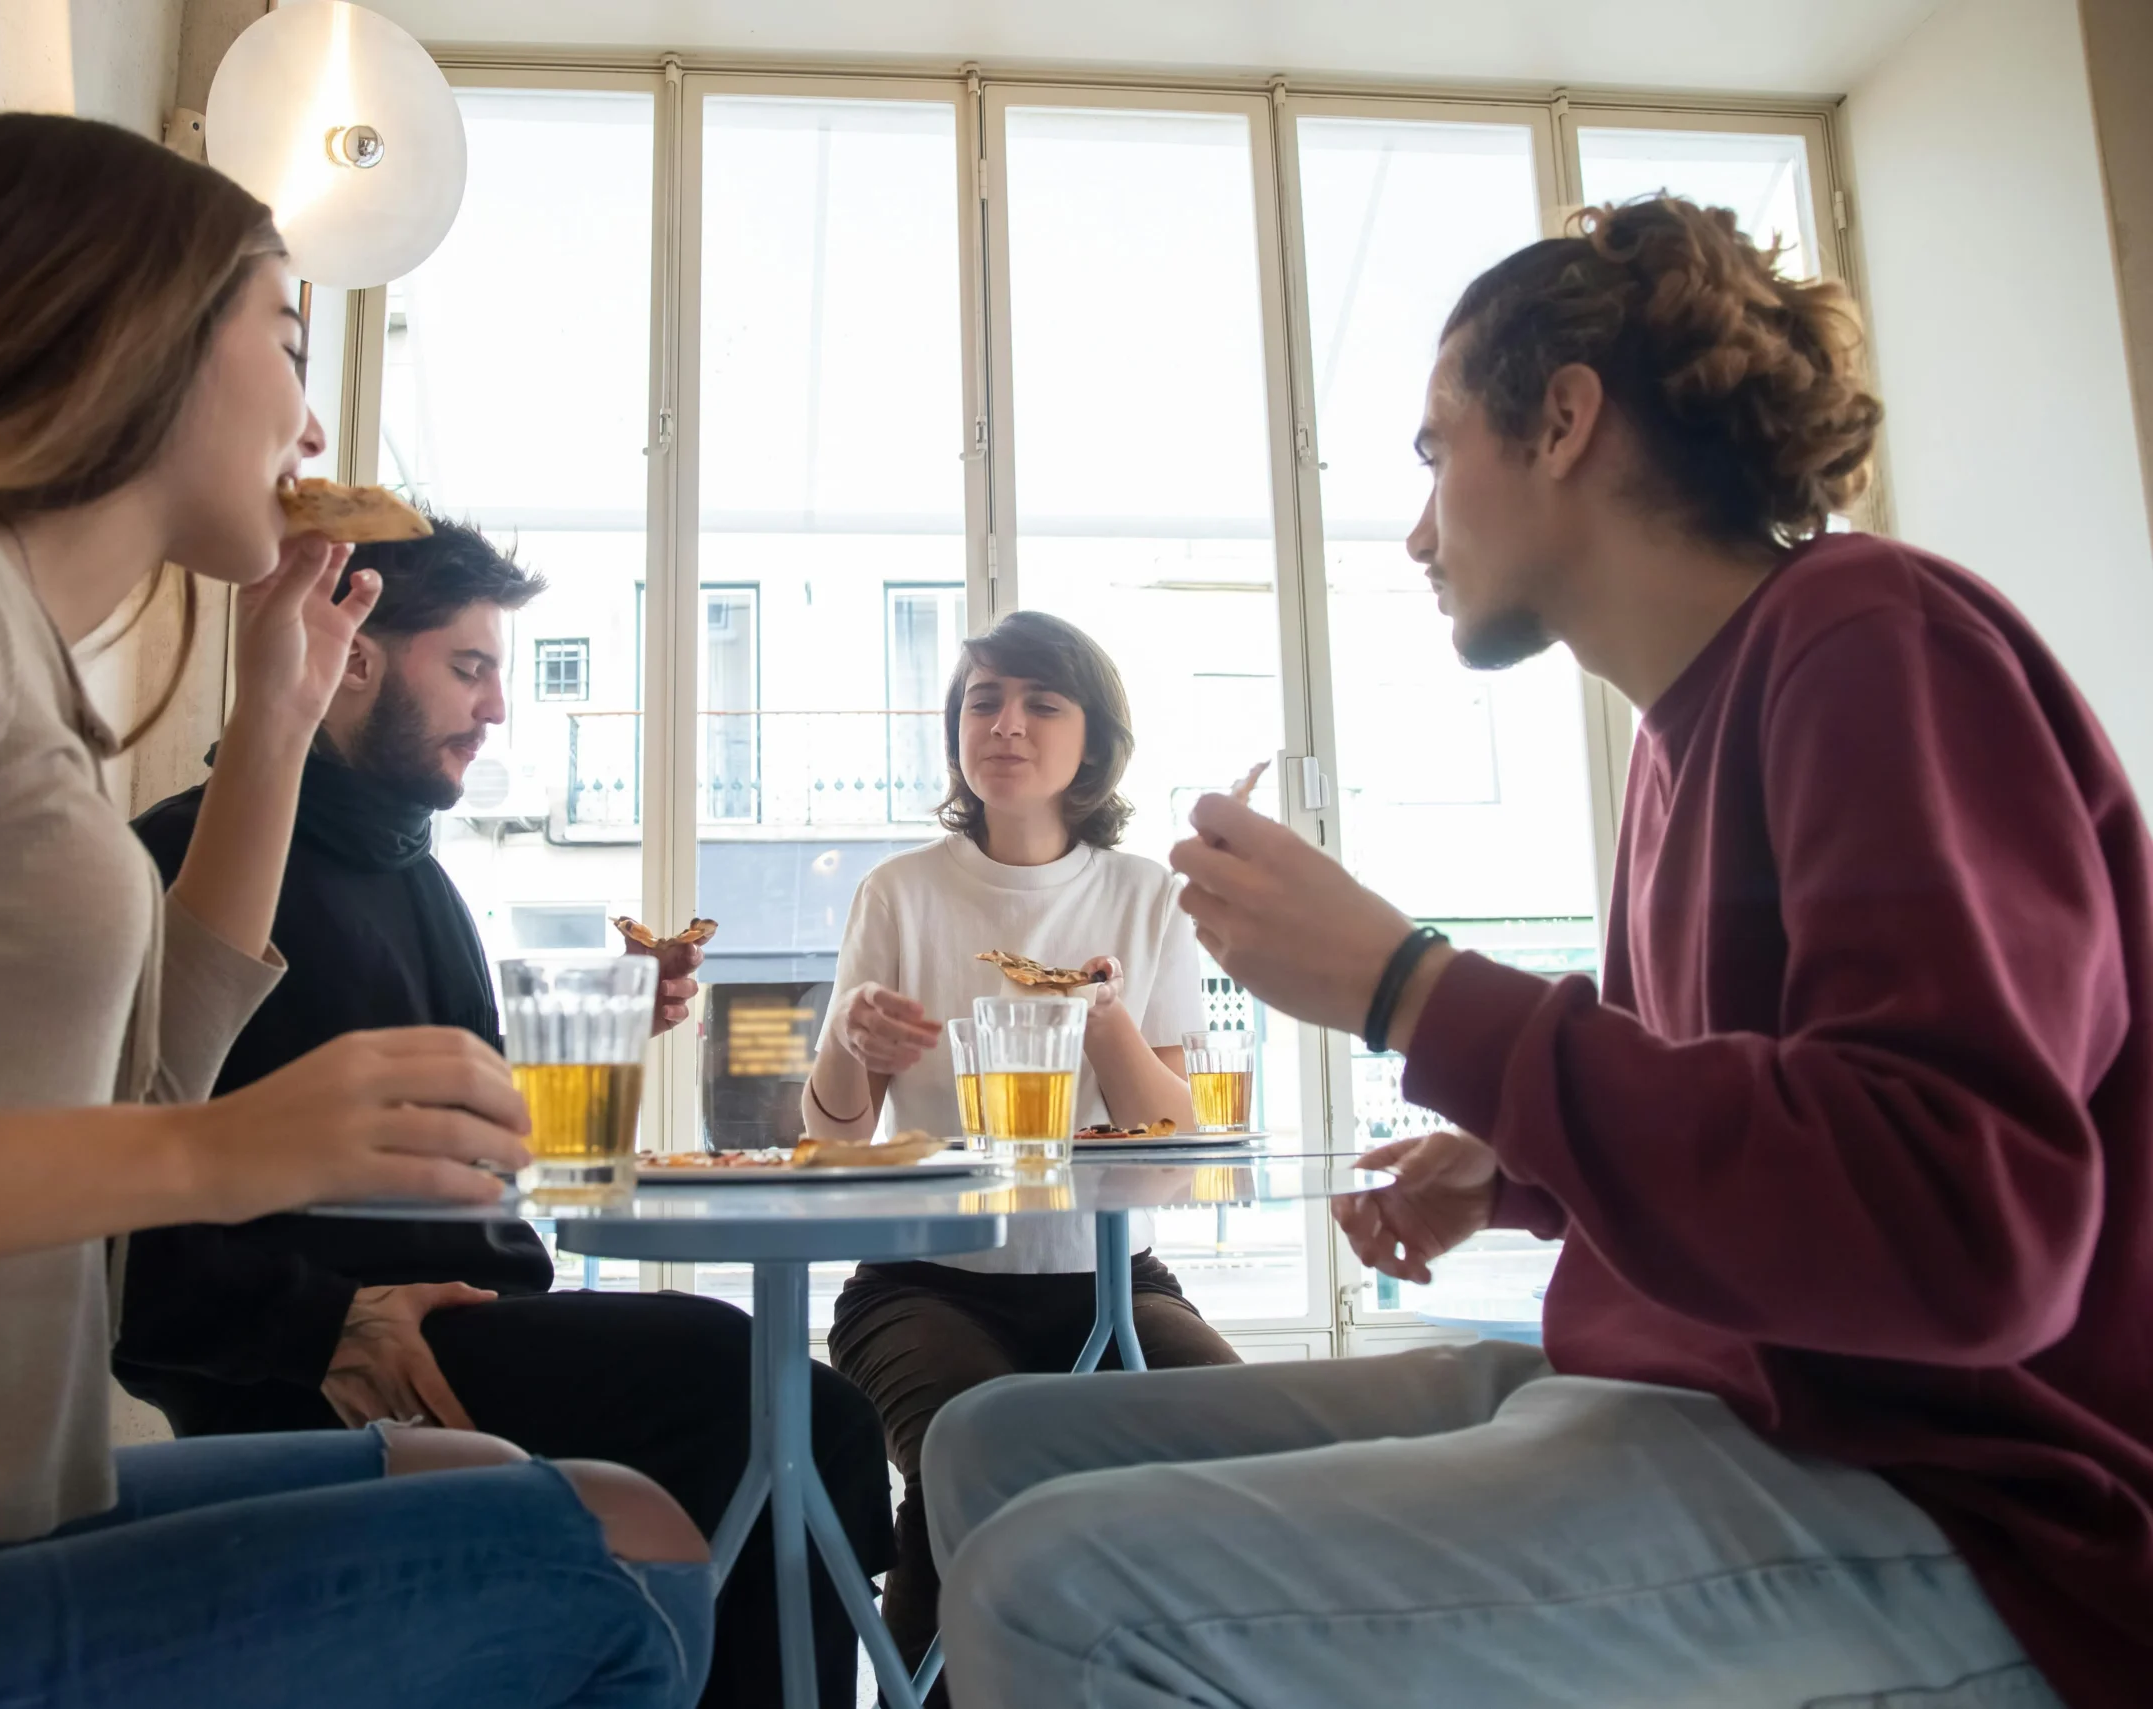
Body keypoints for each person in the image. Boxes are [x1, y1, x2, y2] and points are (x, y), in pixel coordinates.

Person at [921, 196, 2153, 1709]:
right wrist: (1523, 1174)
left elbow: (1969, 1230)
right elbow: (1782, 1124)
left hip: (1959, 1495)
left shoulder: (1871, 633)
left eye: (1436, 452)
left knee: (1059, 1592)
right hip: (1706, 1386)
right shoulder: (1675, 745)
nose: (1418, 528)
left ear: (1564, 420)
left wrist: (1407, 988)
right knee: (992, 1443)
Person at [0, 113, 711, 1709]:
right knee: (602, 1570)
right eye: (289, 341)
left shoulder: (9, 649)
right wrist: (217, 1156)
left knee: (593, 1507)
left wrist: (274, 724)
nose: (310, 422)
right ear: (139, 329)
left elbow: (137, 1094)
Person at [117, 513, 893, 1709]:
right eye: (469, 667)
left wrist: (598, 1032)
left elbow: (452, 1142)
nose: (495, 709)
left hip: (479, 1319)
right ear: (352, 655)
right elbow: (117, 1209)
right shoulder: (178, 861)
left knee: (782, 1407)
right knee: (785, 1406)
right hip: (337, 1360)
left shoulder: (421, 878)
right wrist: (321, 1324)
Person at [803, 609, 1241, 1684]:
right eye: (982, 701)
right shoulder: (900, 891)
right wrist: (851, 1042)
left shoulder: (1146, 894)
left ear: (1092, 742)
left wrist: (1105, 1020)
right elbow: (831, 1138)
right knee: (975, 1449)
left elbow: (1177, 1153)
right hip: (919, 1282)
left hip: (1111, 1278)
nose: (1004, 723)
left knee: (1242, 1436)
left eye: (1041, 702)